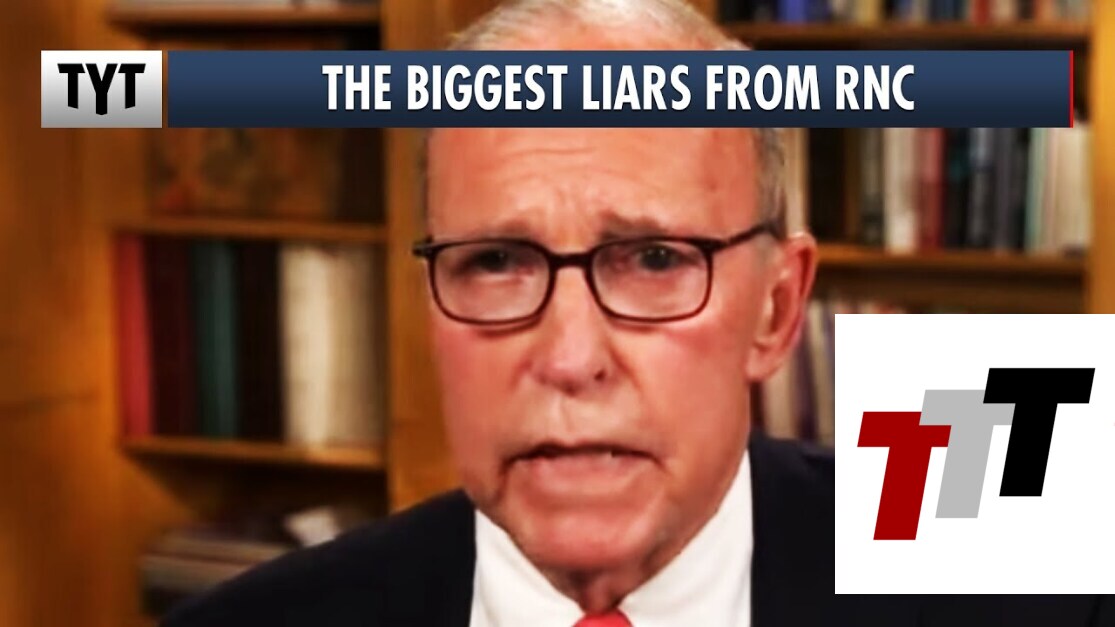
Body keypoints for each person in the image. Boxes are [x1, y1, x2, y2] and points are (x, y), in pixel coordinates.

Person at [164, 1, 1112, 625]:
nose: (570, 355)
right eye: (496, 261)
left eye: (655, 258)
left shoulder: (1032, 580)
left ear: (776, 308)